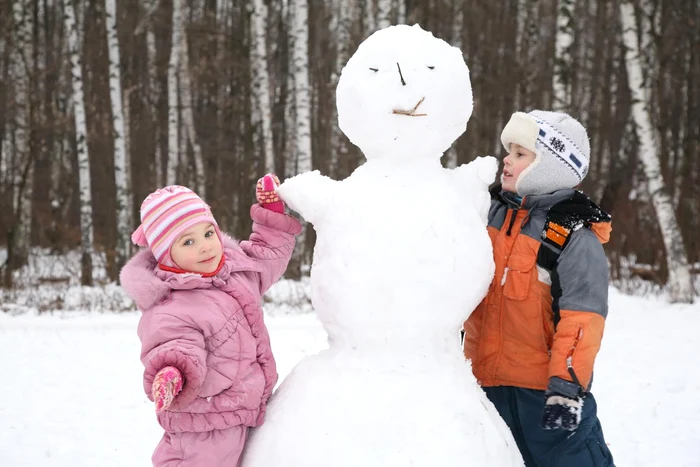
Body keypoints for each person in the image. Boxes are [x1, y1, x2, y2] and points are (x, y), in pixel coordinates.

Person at [462, 110, 615, 466]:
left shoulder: (574, 236)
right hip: (483, 390)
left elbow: (582, 320)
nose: (506, 159)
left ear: (549, 166)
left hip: (546, 398)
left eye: (519, 154)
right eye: (508, 151)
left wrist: (567, 385)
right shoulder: (487, 214)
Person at [120, 175, 301, 467]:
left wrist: (273, 216)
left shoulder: (236, 270)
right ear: (166, 255)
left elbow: (267, 256)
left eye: (208, 233)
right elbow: (174, 344)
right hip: (202, 426)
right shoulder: (170, 303)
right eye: (188, 242)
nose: (205, 247)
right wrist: (173, 374)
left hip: (242, 410)